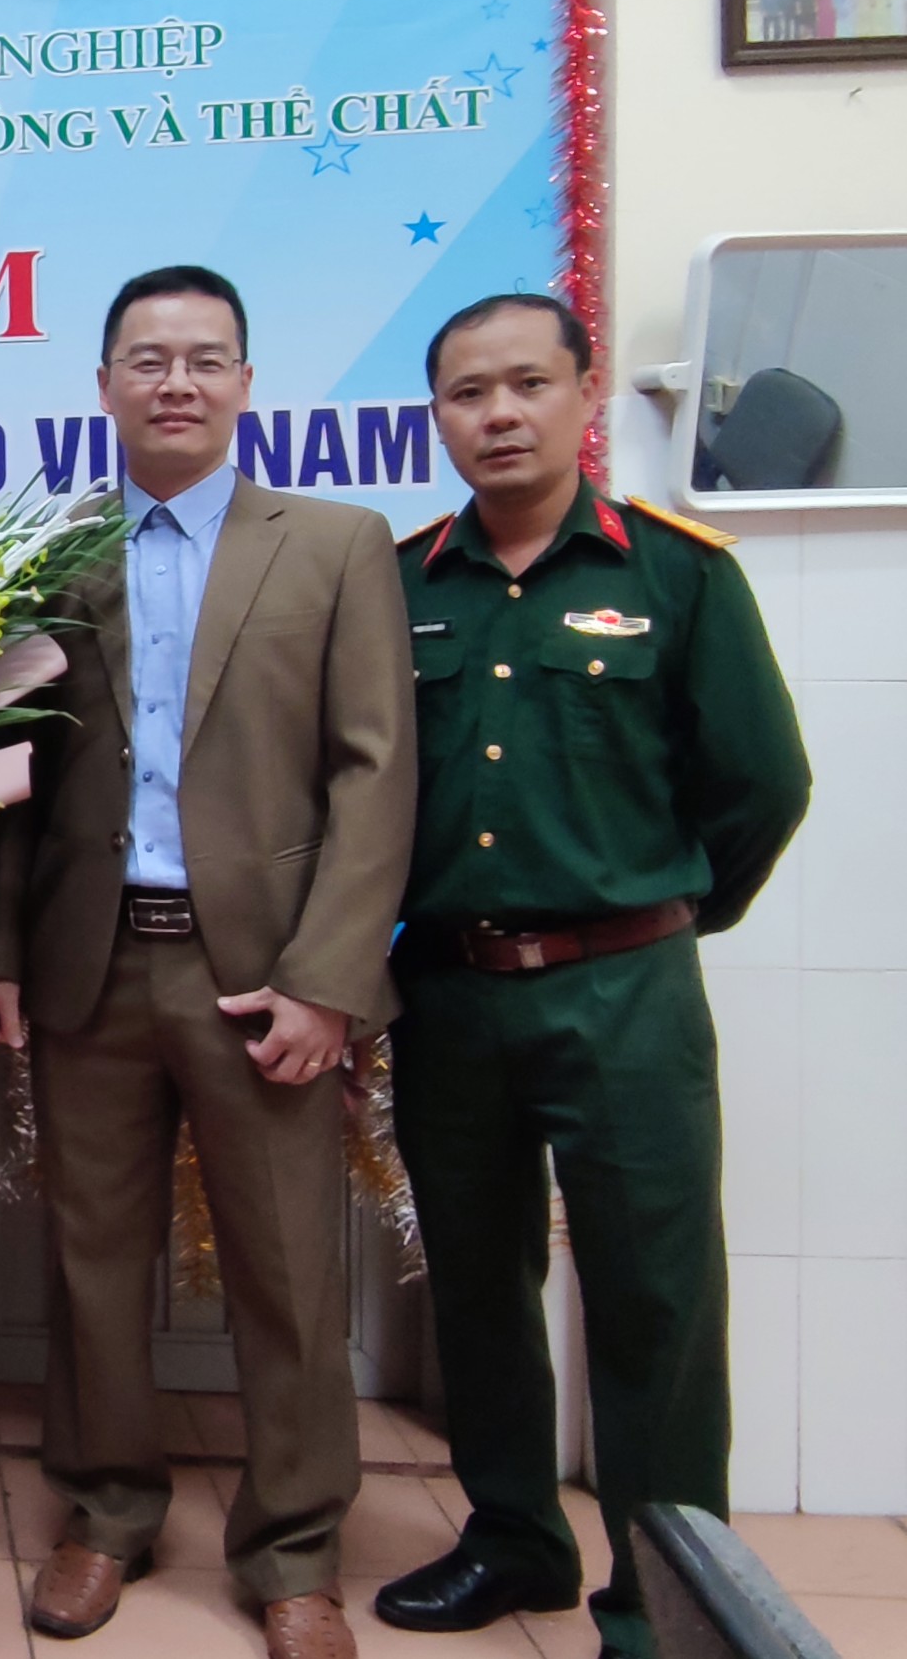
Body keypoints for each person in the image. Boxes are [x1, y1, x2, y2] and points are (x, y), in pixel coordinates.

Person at [0, 265, 416, 1659]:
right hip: (89, 966)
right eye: (148, 359)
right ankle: (106, 1513)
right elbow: (12, 776)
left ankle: (294, 1550)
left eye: (205, 358)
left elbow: (376, 773)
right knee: (92, 1261)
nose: (176, 382)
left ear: (246, 382)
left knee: (288, 1275)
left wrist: (330, 979)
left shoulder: (335, 544)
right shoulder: (51, 556)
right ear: (103, 385)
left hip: (263, 974)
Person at [373, 294, 810, 1659]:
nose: (498, 415)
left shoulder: (677, 575)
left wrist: (662, 919)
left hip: (626, 994)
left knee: (653, 1300)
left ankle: (660, 1599)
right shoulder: (399, 583)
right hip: (451, 990)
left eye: (527, 385)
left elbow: (762, 783)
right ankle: (514, 1537)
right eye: (467, 394)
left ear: (582, 393)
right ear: (437, 416)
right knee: (476, 1282)